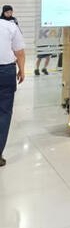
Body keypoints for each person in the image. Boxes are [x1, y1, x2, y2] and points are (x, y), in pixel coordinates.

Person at [0, 14, 25, 166]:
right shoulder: (10, 26)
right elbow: (19, 52)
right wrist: (22, 70)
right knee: (4, 112)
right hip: (6, 72)